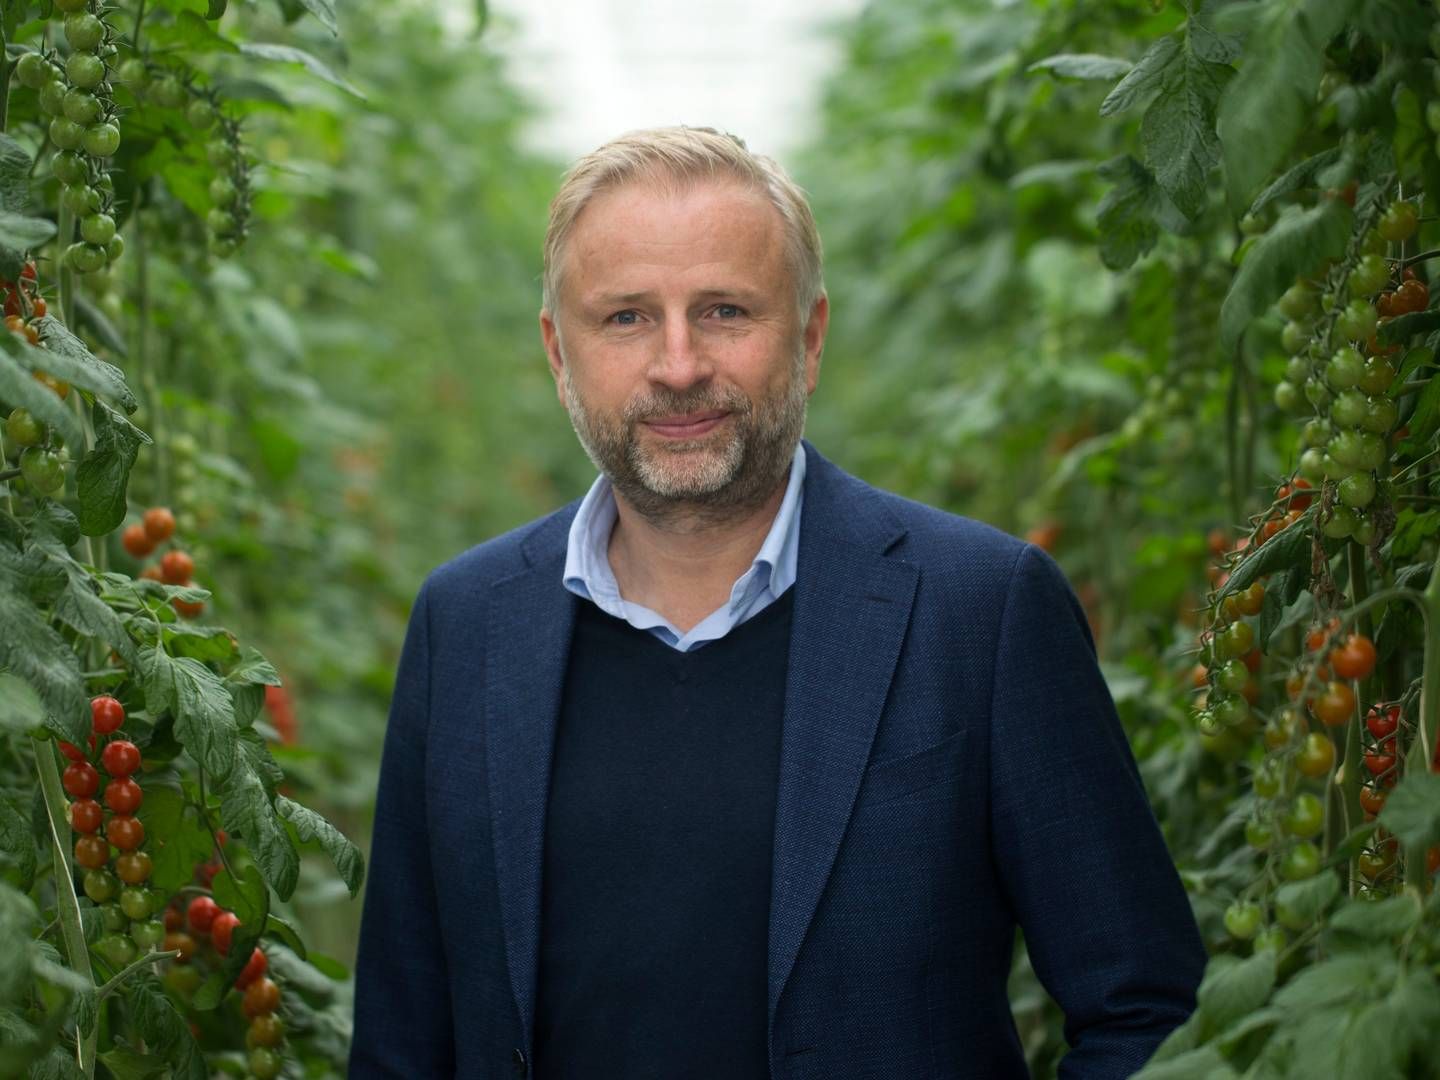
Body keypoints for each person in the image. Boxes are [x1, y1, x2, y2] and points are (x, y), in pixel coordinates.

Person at [349, 126, 1207, 1080]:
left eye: (723, 311)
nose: (678, 366)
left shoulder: (982, 612)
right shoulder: (465, 625)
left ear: (809, 335)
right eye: (626, 318)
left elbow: (1143, 1011)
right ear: (560, 352)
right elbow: (401, 1042)